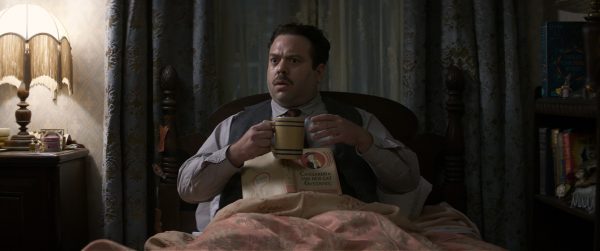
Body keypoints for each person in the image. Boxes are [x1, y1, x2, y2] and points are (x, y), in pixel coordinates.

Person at [177, 23, 431, 232]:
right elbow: (188, 190)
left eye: (294, 60)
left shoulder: (356, 120)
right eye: (274, 60)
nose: (281, 69)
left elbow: (407, 181)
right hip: (254, 231)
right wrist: (235, 153)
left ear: (318, 71)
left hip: (340, 230)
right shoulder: (235, 124)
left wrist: (364, 141)